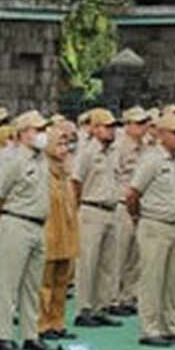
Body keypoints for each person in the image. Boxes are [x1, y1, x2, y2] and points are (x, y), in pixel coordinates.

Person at [0, 111, 53, 350]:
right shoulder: (13, 161)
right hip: (15, 221)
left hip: (37, 225)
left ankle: (30, 335)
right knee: (8, 283)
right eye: (37, 130)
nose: (42, 135)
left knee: (32, 285)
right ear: (24, 132)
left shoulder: (41, 160)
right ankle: (2, 336)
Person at [126, 110, 175, 347]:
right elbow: (133, 193)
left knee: (172, 279)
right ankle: (150, 329)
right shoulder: (152, 159)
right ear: (162, 134)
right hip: (155, 224)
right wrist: (138, 217)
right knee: (152, 279)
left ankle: (170, 325)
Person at [71, 108, 122, 328]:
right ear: (94, 128)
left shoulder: (114, 152)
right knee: (88, 262)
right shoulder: (87, 152)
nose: (111, 131)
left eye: (113, 127)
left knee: (107, 263)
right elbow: (75, 182)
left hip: (111, 209)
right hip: (91, 208)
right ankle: (84, 308)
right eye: (106, 126)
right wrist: (76, 209)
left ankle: (101, 306)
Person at [39, 125, 79, 341]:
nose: (63, 149)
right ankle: (42, 324)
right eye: (59, 144)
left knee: (62, 282)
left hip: (67, 232)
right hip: (49, 233)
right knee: (45, 282)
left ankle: (58, 321)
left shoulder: (66, 171)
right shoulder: (41, 171)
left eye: (66, 144)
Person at [113, 107, 150, 316]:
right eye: (137, 123)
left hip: (141, 203)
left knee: (136, 254)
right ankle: (112, 297)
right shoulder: (119, 147)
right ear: (126, 125)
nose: (142, 127)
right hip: (121, 202)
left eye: (144, 122)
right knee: (119, 252)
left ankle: (129, 295)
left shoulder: (147, 147)